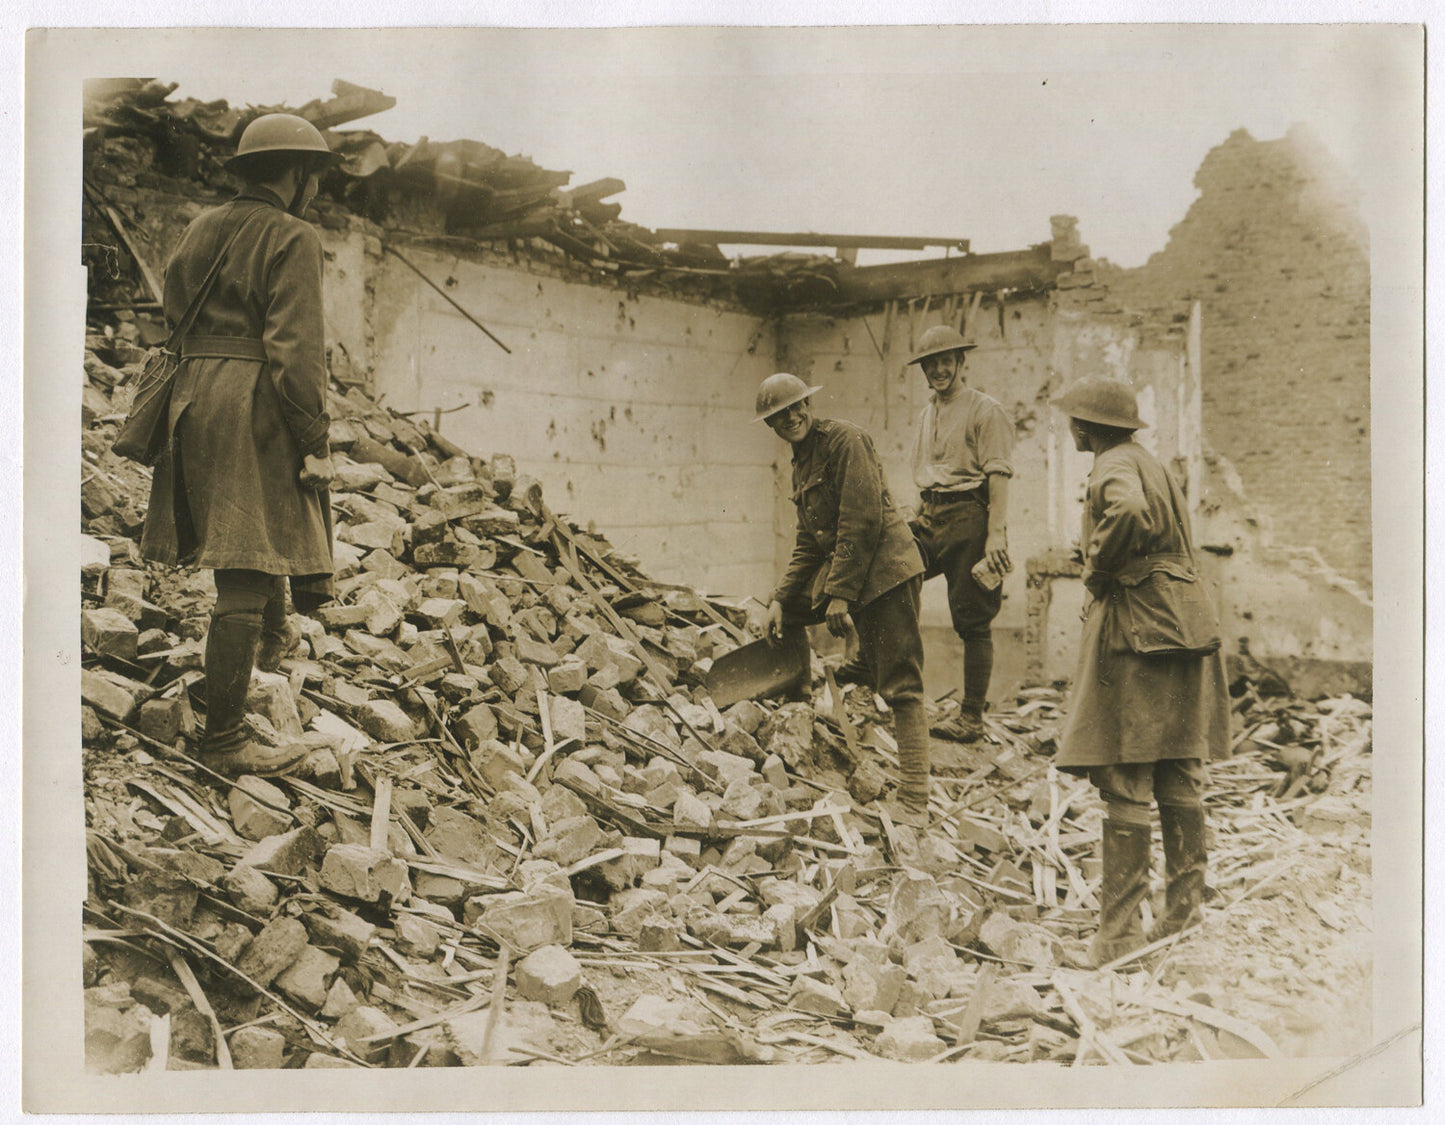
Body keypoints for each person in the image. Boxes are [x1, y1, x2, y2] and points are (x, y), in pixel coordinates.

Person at [139, 113, 343, 776]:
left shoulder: (200, 227)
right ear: (297, 174)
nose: (313, 187)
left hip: (192, 398)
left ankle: (253, 680)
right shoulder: (294, 236)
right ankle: (225, 740)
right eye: (313, 176)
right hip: (249, 401)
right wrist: (314, 438)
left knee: (245, 551)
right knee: (248, 567)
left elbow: (173, 315)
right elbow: (296, 355)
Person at [1051, 376, 1231, 967]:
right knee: (1180, 768)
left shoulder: (1112, 467)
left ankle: (1118, 938)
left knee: (1127, 775)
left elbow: (1123, 509)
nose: (1071, 427)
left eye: (1074, 420)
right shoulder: (1154, 463)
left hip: (1138, 631)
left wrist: (1099, 569)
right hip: (1185, 623)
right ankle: (1181, 919)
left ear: (1088, 427)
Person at [754, 373, 932, 822]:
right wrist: (779, 598)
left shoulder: (845, 441)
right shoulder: (801, 461)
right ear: (771, 424)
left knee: (902, 685)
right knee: (789, 613)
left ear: (809, 407)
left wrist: (839, 596)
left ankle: (915, 800)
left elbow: (861, 522)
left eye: (799, 407)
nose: (793, 417)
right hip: (854, 574)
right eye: (781, 414)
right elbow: (809, 542)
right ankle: (800, 707)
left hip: (888, 573)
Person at [899, 324, 1014, 744]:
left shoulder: (985, 409)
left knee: (972, 620)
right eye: (931, 364)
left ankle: (971, 717)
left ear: (961, 362)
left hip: (970, 518)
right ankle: (873, 671)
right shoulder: (928, 412)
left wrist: (996, 535)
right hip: (930, 516)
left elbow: (998, 474)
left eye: (946, 361)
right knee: (890, 571)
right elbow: (928, 473)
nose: (939, 370)